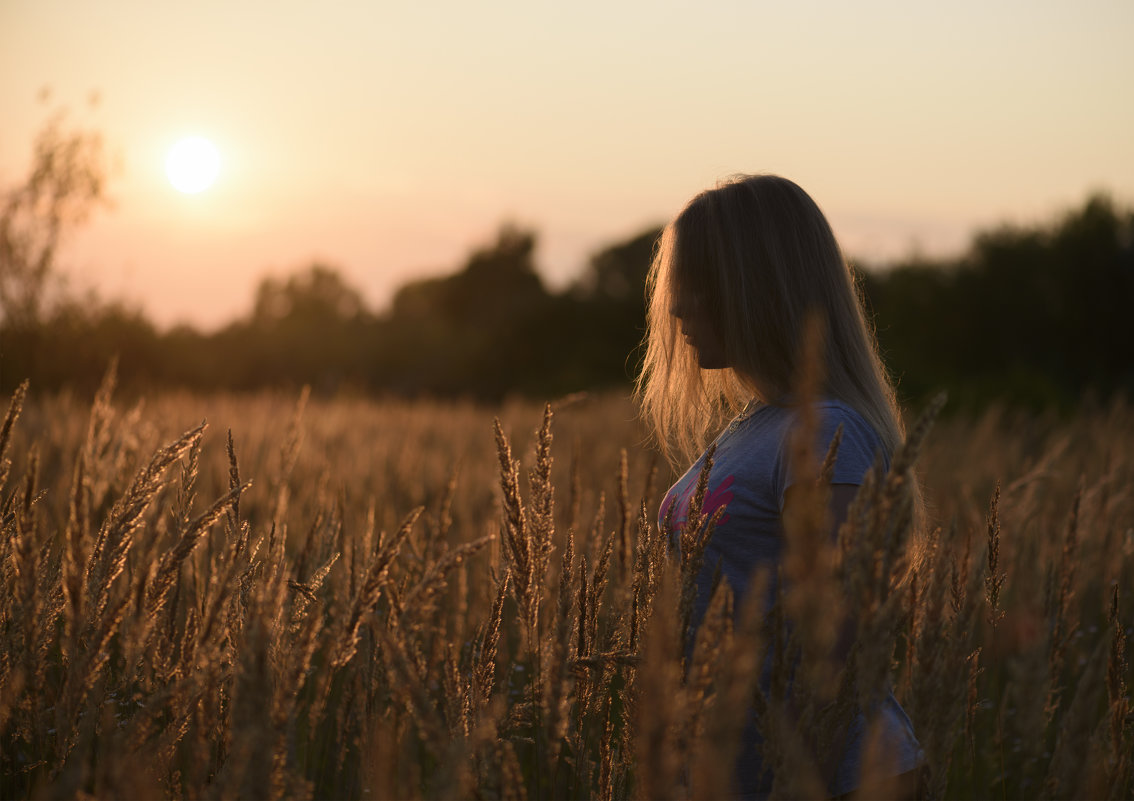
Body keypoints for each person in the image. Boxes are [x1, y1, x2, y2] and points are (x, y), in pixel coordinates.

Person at [634, 174, 924, 798]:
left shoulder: (825, 433)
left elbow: (838, 648)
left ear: (758, 283)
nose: (678, 305)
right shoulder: (757, 426)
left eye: (698, 281)